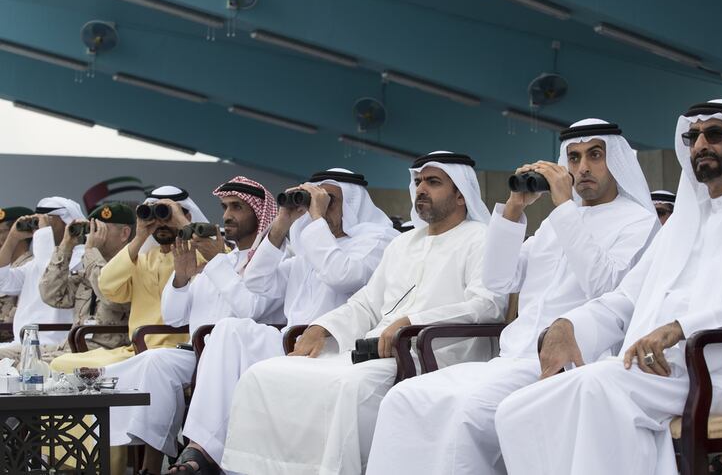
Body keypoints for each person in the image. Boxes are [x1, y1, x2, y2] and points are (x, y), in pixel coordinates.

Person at [493, 100, 722, 475]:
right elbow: (626, 297)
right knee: (518, 410)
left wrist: (681, 328)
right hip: (652, 369)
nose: (700, 144)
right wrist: (568, 325)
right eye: (693, 136)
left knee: (594, 392)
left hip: (721, 372)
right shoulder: (685, 221)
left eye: (714, 135)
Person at [367, 119, 659, 475]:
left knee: (467, 412)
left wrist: (565, 207)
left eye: (595, 156)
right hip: (511, 358)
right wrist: (514, 211)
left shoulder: (638, 222)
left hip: (569, 364)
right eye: (574, 157)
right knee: (403, 398)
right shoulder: (553, 225)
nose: (582, 167)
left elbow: (604, 286)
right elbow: (499, 279)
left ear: (616, 161)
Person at [221, 152, 506, 475]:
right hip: (377, 349)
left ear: (460, 195)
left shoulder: (481, 238)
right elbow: (367, 303)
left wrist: (410, 323)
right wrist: (322, 327)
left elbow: (487, 305)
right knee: (266, 373)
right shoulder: (402, 244)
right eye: (418, 182)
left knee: (348, 386)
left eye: (433, 182)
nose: (421, 189)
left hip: (436, 351)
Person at [168, 169, 396, 474]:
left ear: (354, 204)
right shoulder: (308, 244)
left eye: (330, 201)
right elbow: (258, 282)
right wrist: (283, 221)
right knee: (229, 330)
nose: (322, 208)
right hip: (292, 343)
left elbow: (342, 275)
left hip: (336, 348)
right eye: (316, 201)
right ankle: (202, 450)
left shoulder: (376, 239)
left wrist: (315, 221)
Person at [106, 177, 279, 474]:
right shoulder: (220, 259)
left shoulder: (267, 260)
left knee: (158, 362)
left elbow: (250, 309)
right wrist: (182, 278)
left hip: (241, 356)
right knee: (152, 362)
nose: (227, 215)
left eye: (237, 207)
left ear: (258, 211)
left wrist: (215, 262)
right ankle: (151, 463)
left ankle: (202, 454)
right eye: (224, 207)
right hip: (199, 353)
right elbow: (174, 317)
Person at [48, 186, 207, 372]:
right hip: (136, 350)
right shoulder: (143, 257)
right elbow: (106, 286)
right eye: (154, 215)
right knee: (60, 364)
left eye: (167, 215)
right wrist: (140, 237)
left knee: (90, 370)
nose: (162, 223)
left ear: (187, 217)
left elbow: (221, 260)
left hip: (173, 352)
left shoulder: (200, 254)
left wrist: (181, 223)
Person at [0, 203, 135, 364]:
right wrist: (66, 245)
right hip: (73, 346)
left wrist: (91, 250)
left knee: (30, 366)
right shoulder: (88, 267)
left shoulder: (130, 265)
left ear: (124, 233)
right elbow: (53, 295)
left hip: (104, 350)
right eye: (90, 229)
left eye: (99, 229)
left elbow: (110, 295)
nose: (92, 235)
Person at [0, 197, 85, 348]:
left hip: (54, 344)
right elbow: (3, 282)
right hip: (24, 343)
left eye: (48, 219)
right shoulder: (35, 263)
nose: (39, 225)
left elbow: (51, 277)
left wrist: (43, 234)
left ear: (67, 222)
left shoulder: (81, 259)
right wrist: (12, 239)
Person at [0, 206, 34, 342]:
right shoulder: (5, 268)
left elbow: (14, 319)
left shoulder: (31, 267)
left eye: (1, 232)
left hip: (12, 339)